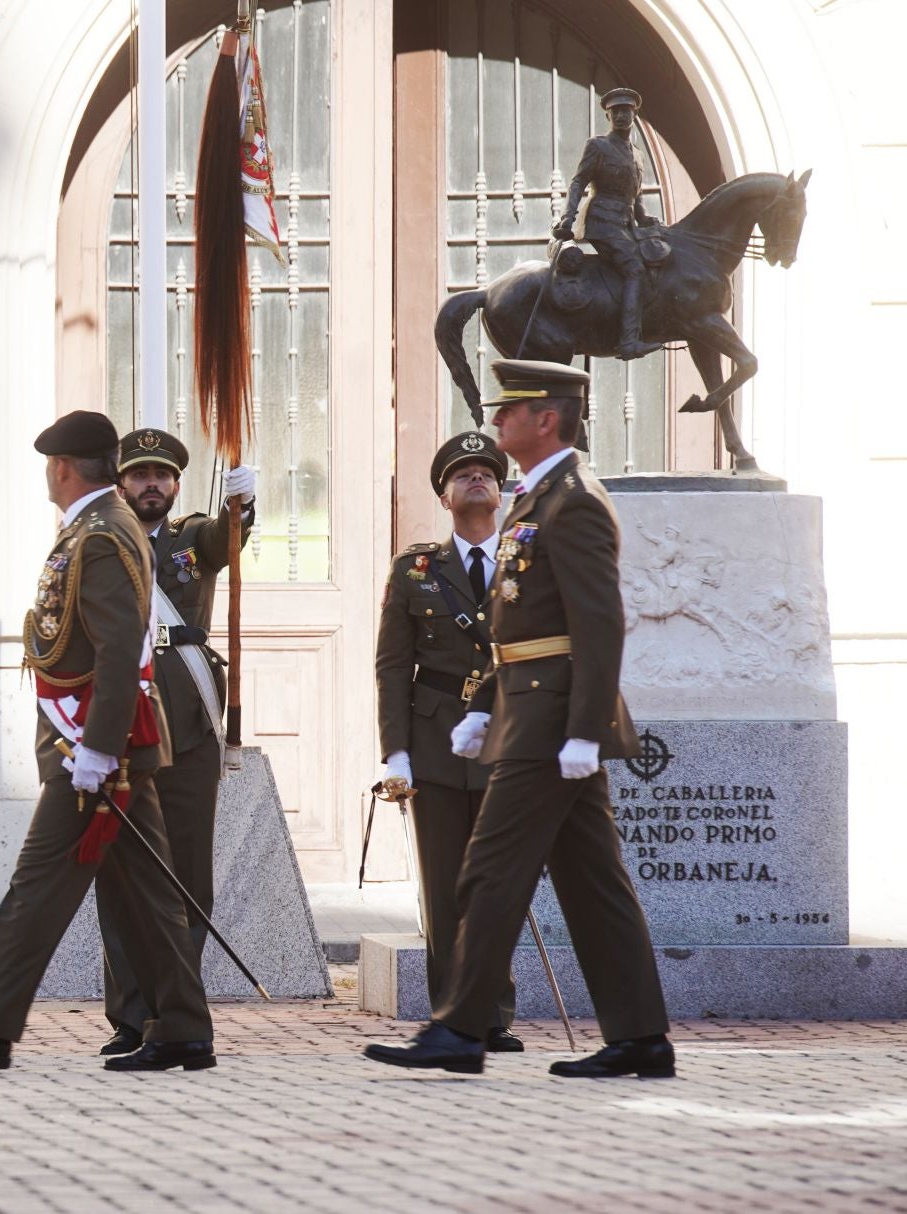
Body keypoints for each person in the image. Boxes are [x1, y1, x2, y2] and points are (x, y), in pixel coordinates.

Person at [364, 359, 674, 1078]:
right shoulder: (540, 498)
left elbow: (599, 626)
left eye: (510, 410)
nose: (498, 420)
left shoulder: (574, 502)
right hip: (529, 712)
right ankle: (640, 1037)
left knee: (488, 872)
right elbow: (514, 630)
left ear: (547, 419)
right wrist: (483, 709)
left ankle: (458, 1029)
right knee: (595, 885)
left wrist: (585, 731)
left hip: (551, 723)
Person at [0, 410, 213, 1073]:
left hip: (96, 750)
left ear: (62, 467)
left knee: (38, 884)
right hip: (107, 744)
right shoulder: (98, 525)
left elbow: (117, 650)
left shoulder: (100, 534)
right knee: (150, 897)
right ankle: (183, 1028)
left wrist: (99, 749)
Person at [93, 427, 254, 1056]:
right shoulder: (100, 538)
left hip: (187, 725)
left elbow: (227, 540)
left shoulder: (193, 539)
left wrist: (242, 503)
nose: (151, 484)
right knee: (122, 877)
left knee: (186, 876)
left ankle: (175, 1013)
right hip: (119, 725)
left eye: (161, 475)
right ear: (120, 484)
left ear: (178, 485)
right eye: (139, 474)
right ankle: (131, 1016)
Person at [374, 432, 521, 1053]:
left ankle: (493, 1013)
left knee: (496, 883)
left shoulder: (524, 562)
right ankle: (452, 1017)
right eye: (463, 475)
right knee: (443, 889)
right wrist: (396, 752)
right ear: (444, 496)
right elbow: (392, 667)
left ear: (501, 492)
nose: (476, 480)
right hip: (434, 743)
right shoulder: (416, 571)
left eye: (486, 473)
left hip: (504, 737)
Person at [553, 87, 662, 359]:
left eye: (626, 110)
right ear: (608, 116)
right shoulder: (598, 146)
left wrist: (644, 218)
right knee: (634, 269)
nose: (621, 115)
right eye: (616, 112)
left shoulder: (637, 154)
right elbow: (579, 182)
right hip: (602, 222)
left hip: (626, 226)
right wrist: (567, 217)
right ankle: (628, 341)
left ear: (634, 114)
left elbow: (635, 194)